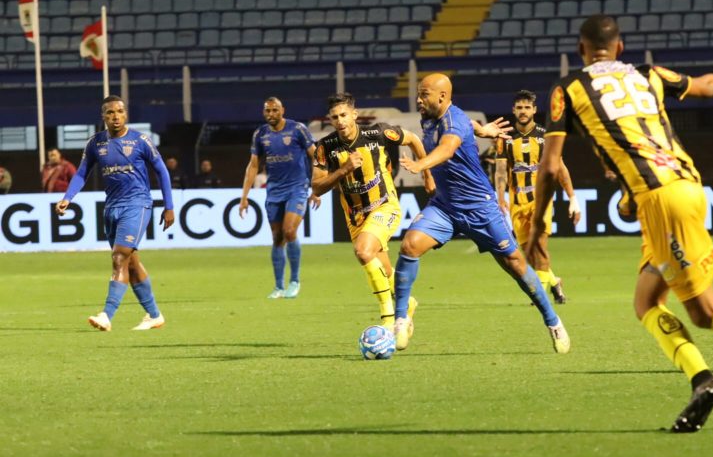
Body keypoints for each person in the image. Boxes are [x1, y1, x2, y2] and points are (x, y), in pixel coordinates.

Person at [534, 14, 713, 433]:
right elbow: (706, 86)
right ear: (620, 47)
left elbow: (550, 167)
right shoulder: (650, 74)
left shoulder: (567, 90)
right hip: (686, 187)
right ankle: (701, 380)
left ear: (581, 49)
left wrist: (536, 228)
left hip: (664, 201)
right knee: (646, 301)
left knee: (706, 311)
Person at [394, 73, 571, 353]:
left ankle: (553, 321)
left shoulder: (453, 120)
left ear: (442, 96)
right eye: (418, 94)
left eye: (424, 94)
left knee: (515, 264)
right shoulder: (431, 117)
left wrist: (421, 165)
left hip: (480, 207)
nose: (418, 99)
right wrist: (482, 130)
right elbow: (468, 124)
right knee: (409, 245)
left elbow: (447, 148)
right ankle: (400, 319)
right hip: (445, 207)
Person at [55, 95, 175, 331]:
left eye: (120, 111)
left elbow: (161, 170)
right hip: (111, 207)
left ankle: (107, 315)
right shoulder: (95, 143)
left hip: (137, 204)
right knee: (130, 263)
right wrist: (67, 198)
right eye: (110, 113)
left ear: (126, 114)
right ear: (103, 116)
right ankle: (154, 315)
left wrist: (169, 206)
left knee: (119, 257)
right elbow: (81, 173)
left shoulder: (140, 140)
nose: (115, 116)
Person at [312, 92, 429, 328]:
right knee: (383, 270)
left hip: (385, 204)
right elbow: (317, 187)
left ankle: (388, 318)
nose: (340, 121)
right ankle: (408, 304)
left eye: (344, 115)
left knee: (363, 251)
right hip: (355, 216)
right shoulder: (325, 147)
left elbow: (414, 139)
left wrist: (427, 173)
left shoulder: (378, 133)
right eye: (335, 117)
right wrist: (344, 169)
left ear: (354, 115)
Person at [494, 90, 581, 304]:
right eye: (519, 108)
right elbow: (501, 170)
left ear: (534, 110)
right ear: (514, 110)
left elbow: (560, 167)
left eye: (527, 107)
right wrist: (500, 197)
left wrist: (572, 198)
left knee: (540, 246)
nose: (523, 111)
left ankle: (540, 296)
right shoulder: (505, 138)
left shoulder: (545, 136)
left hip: (541, 201)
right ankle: (554, 281)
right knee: (530, 253)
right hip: (517, 203)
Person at [239, 96, 321, 299]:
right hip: (274, 191)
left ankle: (294, 281)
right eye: (267, 110)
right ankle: (278, 287)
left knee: (289, 231)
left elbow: (316, 156)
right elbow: (253, 165)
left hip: (297, 188)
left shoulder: (298, 129)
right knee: (277, 238)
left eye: (275, 110)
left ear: (282, 110)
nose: (271, 114)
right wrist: (244, 196)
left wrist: (317, 187)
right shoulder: (260, 134)